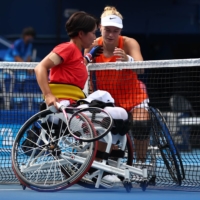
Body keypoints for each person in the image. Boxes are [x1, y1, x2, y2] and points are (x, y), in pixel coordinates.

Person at [34, 11, 128, 183]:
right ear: (81, 34)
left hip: (75, 107)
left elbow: (78, 64)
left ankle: (108, 158)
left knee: (120, 113)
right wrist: (48, 95)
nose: (95, 36)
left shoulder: (77, 54)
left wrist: (90, 55)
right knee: (103, 116)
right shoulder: (67, 48)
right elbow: (40, 68)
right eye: (93, 32)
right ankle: (98, 165)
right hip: (61, 109)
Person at [85, 6, 151, 166]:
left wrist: (128, 60)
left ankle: (140, 165)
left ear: (120, 30)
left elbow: (141, 67)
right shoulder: (93, 47)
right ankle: (110, 160)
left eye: (115, 30)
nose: (111, 34)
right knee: (104, 128)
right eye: (107, 30)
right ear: (100, 27)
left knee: (141, 125)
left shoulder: (128, 43)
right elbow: (86, 73)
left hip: (134, 98)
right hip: (110, 102)